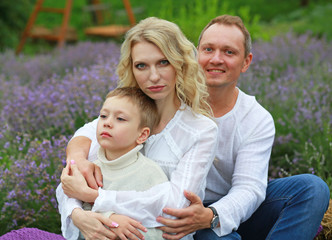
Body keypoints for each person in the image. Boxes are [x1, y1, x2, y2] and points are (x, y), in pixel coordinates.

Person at [155, 15, 330, 240]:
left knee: (312, 188)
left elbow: (248, 188)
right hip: (180, 208)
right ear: (196, 54)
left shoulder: (256, 118)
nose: (216, 59)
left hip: (233, 207)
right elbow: (113, 118)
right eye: (208, 49)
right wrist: (92, 145)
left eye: (229, 52)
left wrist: (212, 215)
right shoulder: (169, 100)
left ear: (246, 62)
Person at [56, 17, 218, 240]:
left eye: (163, 62)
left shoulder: (201, 130)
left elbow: (173, 206)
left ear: (179, 63)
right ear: (131, 69)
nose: (153, 76)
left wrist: (94, 197)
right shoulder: (124, 114)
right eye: (141, 65)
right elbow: (78, 155)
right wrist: (77, 214)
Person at [63, 87, 169, 240]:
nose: (107, 123)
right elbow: (83, 219)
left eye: (120, 119)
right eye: (103, 116)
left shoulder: (150, 173)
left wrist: (117, 228)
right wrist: (109, 217)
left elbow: (161, 228)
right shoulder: (92, 169)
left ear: (142, 134)